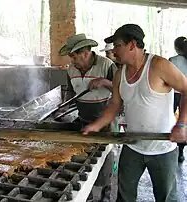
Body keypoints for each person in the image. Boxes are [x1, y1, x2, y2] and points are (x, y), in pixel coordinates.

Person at [82, 24, 187, 202]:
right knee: (124, 196)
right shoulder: (119, 74)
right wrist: (96, 125)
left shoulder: (159, 65)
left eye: (117, 45)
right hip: (132, 145)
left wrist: (182, 124)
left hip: (162, 148)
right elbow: (114, 105)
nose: (114, 51)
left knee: (166, 197)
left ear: (132, 45)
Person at [58, 33, 117, 201]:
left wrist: (105, 82)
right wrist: (63, 106)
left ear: (85, 53)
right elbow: (70, 92)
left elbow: (122, 92)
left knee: (105, 159)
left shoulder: (107, 65)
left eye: (73, 56)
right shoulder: (71, 70)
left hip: (106, 122)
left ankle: (106, 191)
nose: (71, 60)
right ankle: (87, 193)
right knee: (82, 158)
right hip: (84, 120)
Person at [169, 36, 187, 163]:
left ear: (176, 48)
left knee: (170, 120)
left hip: (174, 94)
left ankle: (170, 147)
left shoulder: (172, 60)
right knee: (184, 122)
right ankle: (181, 152)